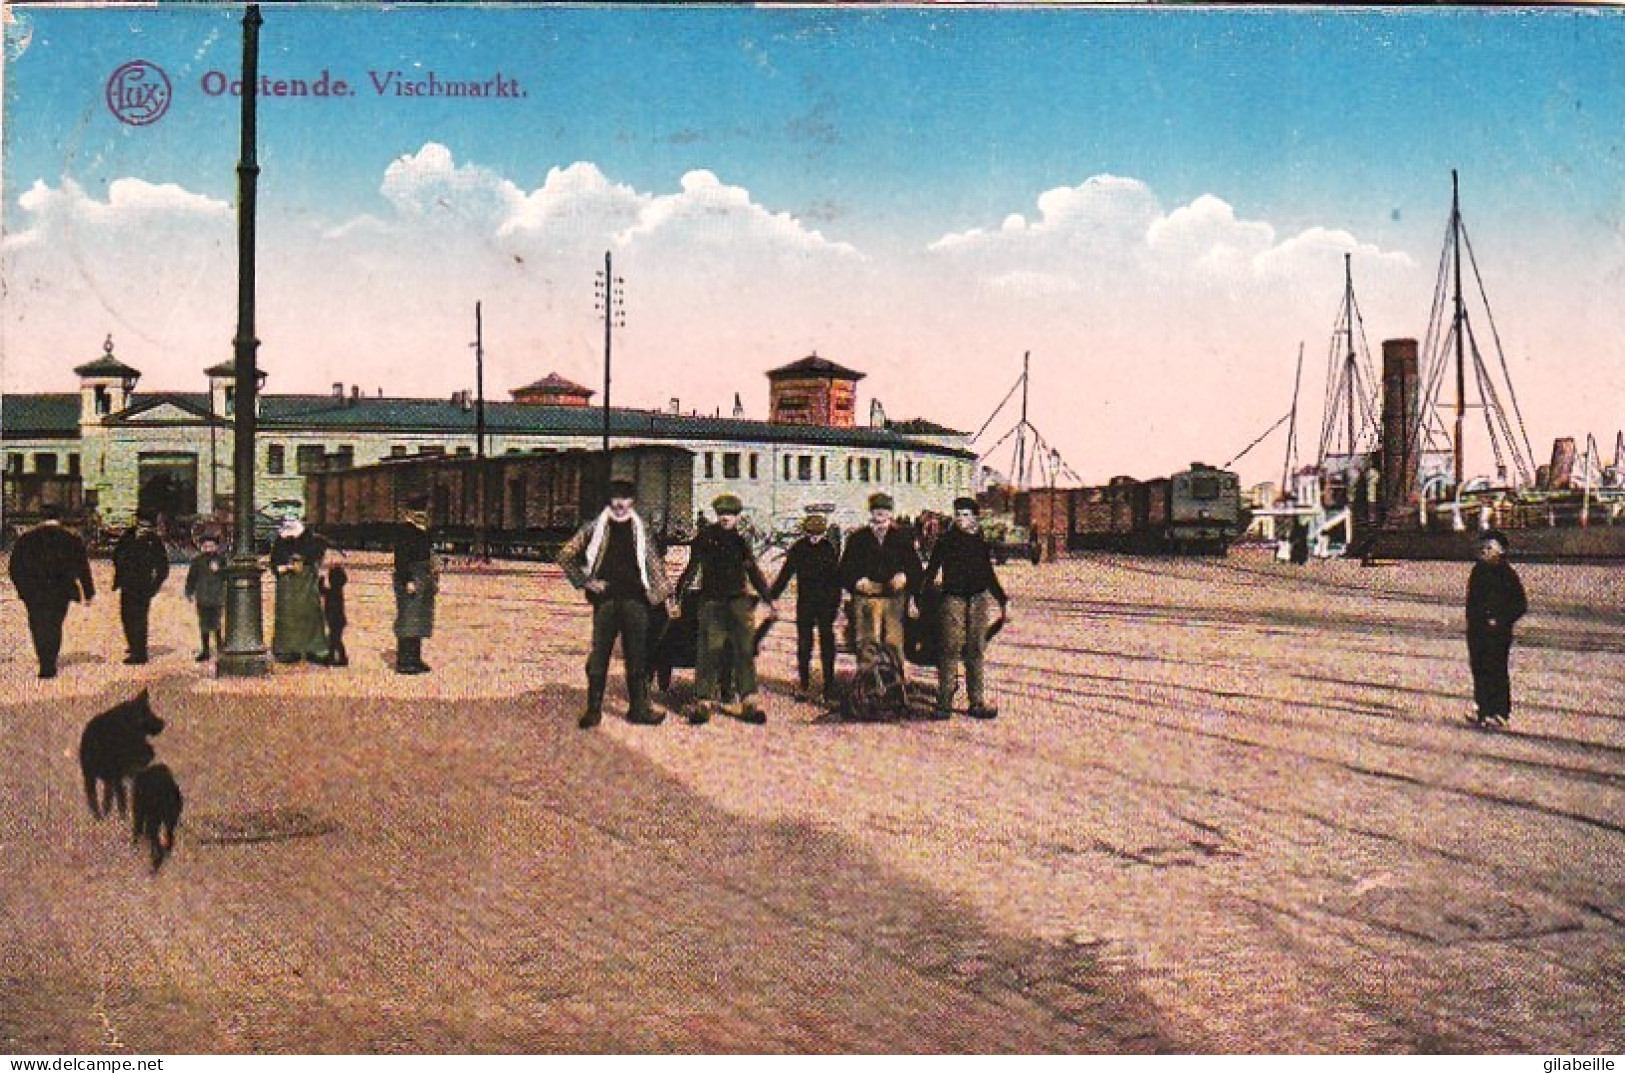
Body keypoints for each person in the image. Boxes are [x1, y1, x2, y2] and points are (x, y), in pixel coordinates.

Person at [558, 479, 672, 727]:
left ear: (633, 502)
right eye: (615, 498)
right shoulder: (593, 528)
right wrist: (587, 581)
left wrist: (665, 595)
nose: (620, 503)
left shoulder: (641, 529)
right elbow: (565, 554)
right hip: (606, 602)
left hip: (636, 601)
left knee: (637, 655)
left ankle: (639, 710)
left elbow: (654, 567)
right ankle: (593, 711)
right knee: (600, 655)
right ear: (610, 501)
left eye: (625, 498)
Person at [676, 493, 777, 725]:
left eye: (730, 515)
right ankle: (703, 702)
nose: (725, 519)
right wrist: (678, 595)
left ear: (736, 517)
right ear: (716, 515)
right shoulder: (705, 538)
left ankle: (749, 702)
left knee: (744, 650)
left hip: (738, 602)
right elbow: (692, 568)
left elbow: (753, 571)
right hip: (711, 602)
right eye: (722, 514)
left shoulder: (740, 541)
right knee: (709, 650)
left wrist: (769, 598)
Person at [922, 497, 1009, 720]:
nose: (961, 519)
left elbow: (988, 574)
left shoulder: (980, 542)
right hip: (953, 600)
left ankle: (976, 702)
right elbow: (931, 571)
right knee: (949, 650)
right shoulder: (945, 541)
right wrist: (922, 595)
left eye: (966, 515)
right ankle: (943, 704)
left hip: (978, 600)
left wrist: (1003, 601)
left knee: (976, 650)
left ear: (974, 518)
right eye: (958, 514)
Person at [839, 492, 923, 675]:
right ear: (871, 512)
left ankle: (896, 687)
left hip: (894, 599)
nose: (880, 514)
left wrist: (905, 577)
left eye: (884, 510)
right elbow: (844, 569)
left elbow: (916, 569)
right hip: (866, 599)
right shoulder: (857, 538)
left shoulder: (902, 538)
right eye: (876, 510)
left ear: (891, 514)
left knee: (893, 643)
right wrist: (856, 581)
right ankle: (868, 687)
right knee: (867, 643)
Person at [8, 505, 95, 678]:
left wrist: (23, 590)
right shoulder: (71, 539)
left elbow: (15, 568)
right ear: (59, 518)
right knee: (54, 624)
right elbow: (82, 567)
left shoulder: (26, 539)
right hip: (60, 591)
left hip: (34, 592)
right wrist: (88, 591)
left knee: (38, 624)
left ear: (41, 518)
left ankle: (44, 660)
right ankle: (50, 661)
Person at [769, 513, 843, 703]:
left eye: (818, 535)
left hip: (826, 604)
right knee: (804, 644)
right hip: (806, 603)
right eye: (811, 534)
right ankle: (804, 684)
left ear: (824, 533)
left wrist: (835, 604)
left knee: (827, 645)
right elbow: (786, 572)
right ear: (805, 532)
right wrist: (773, 595)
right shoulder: (799, 548)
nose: (814, 538)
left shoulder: (829, 548)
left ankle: (829, 687)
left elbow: (836, 579)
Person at [1466, 529, 1527, 727]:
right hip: (1477, 631)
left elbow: (1520, 604)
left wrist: (1500, 620)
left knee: (1496, 669)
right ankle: (1483, 708)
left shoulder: (1507, 574)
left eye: (1489, 548)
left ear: (1501, 551)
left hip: (1498, 632)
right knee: (1479, 668)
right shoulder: (1477, 571)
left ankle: (1500, 711)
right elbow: (1472, 602)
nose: (1484, 551)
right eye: (1482, 547)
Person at [111, 513, 170, 665]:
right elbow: (116, 553)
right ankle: (133, 645)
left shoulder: (153, 541)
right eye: (140, 524)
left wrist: (154, 586)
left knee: (139, 618)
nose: (142, 528)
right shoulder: (128, 535)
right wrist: (120, 568)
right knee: (126, 616)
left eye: (146, 525)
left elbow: (163, 567)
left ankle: (139, 653)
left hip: (143, 585)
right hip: (126, 583)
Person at [270, 517, 330, 664]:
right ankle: (288, 650)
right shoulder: (280, 540)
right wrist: (285, 567)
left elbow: (318, 552)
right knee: (287, 617)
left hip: (306, 583)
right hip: (287, 585)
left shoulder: (310, 539)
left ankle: (314, 649)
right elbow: (274, 562)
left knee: (310, 613)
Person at [393, 500, 437, 675]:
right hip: (411, 577)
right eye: (418, 512)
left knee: (419, 619)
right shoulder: (404, 531)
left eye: (423, 512)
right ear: (409, 514)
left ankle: (416, 659)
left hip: (423, 577)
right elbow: (401, 559)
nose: (422, 515)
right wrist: (407, 580)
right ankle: (404, 661)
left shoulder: (422, 531)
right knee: (408, 618)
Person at [183, 533, 227, 662]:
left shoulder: (221, 560)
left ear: (216, 547)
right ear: (202, 547)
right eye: (206, 546)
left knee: (217, 622)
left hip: (217, 595)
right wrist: (189, 592)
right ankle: (206, 650)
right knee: (204, 624)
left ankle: (220, 647)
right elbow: (191, 578)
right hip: (202, 596)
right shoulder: (197, 561)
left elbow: (227, 576)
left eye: (211, 546)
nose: (208, 548)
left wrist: (219, 571)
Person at [320, 550, 350, 667]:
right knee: (336, 638)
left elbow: (323, 591)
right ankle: (340, 658)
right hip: (339, 617)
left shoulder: (333, 590)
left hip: (334, 616)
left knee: (334, 639)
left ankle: (332, 658)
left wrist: (321, 581)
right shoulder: (338, 589)